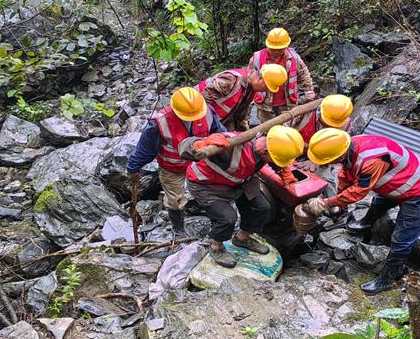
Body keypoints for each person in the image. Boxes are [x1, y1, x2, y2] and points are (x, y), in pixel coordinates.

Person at [304, 128, 420, 294]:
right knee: (378, 203)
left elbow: (359, 191)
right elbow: (346, 173)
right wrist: (340, 199)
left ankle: (389, 276)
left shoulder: (371, 160)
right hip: (395, 181)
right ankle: (366, 223)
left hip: (419, 188)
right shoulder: (348, 146)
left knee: (403, 235)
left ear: (338, 155)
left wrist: (327, 203)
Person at [181, 125, 304, 268]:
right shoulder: (228, 146)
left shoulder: (267, 146)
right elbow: (184, 146)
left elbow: (274, 159)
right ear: (265, 152)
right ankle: (216, 247)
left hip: (238, 180)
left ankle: (242, 238)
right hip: (206, 185)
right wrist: (199, 144)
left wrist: (284, 172)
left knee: (261, 207)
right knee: (227, 218)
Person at [127, 87, 228, 234]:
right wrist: (134, 167)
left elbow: (220, 133)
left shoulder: (207, 112)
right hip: (172, 168)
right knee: (174, 199)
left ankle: (216, 222)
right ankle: (178, 230)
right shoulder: (159, 122)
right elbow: (146, 150)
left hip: (201, 164)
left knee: (212, 191)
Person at [248, 28, 316, 123]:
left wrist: (308, 93)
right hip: (264, 104)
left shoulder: (294, 58)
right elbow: (249, 80)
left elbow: (304, 75)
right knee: (266, 129)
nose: (276, 52)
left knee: (287, 130)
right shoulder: (257, 58)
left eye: (279, 49)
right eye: (273, 49)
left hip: (287, 104)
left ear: (286, 46)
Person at [292, 94, 353, 196]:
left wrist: (316, 162)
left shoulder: (346, 125)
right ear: (320, 111)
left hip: (321, 158)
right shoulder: (304, 113)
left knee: (326, 183)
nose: (329, 126)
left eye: (334, 125)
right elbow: (283, 133)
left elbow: (337, 151)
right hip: (293, 151)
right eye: (327, 123)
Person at [196, 64, 288, 131]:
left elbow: (240, 114)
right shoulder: (231, 80)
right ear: (259, 79)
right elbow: (201, 100)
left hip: (218, 118)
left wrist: (244, 135)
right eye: (267, 88)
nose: (266, 91)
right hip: (195, 113)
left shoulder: (251, 87)